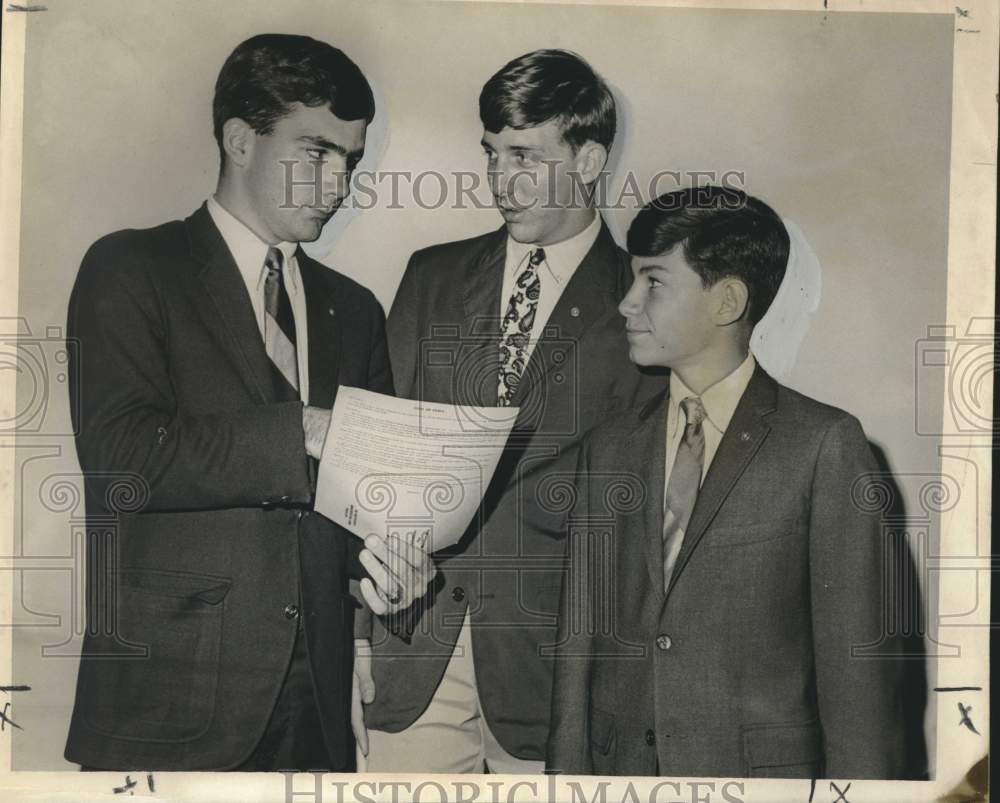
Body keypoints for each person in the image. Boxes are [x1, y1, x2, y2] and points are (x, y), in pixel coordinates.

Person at [64, 33, 434, 772]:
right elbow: (123, 459)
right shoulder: (132, 267)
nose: (338, 184)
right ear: (240, 139)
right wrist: (303, 426)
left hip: (317, 711)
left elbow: (370, 499)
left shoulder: (354, 310)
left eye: (351, 161)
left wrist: (394, 571)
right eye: (317, 153)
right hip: (168, 702)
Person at [356, 49, 664, 774]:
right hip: (414, 651)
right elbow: (374, 468)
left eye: (524, 156)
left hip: (560, 676)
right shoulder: (430, 277)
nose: (500, 180)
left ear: (588, 161)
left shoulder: (646, 304)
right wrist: (358, 637)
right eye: (492, 154)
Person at [545, 186, 907, 778]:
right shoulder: (607, 449)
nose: (627, 304)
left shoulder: (823, 446)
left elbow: (857, 681)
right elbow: (576, 649)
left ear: (727, 301)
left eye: (654, 282)